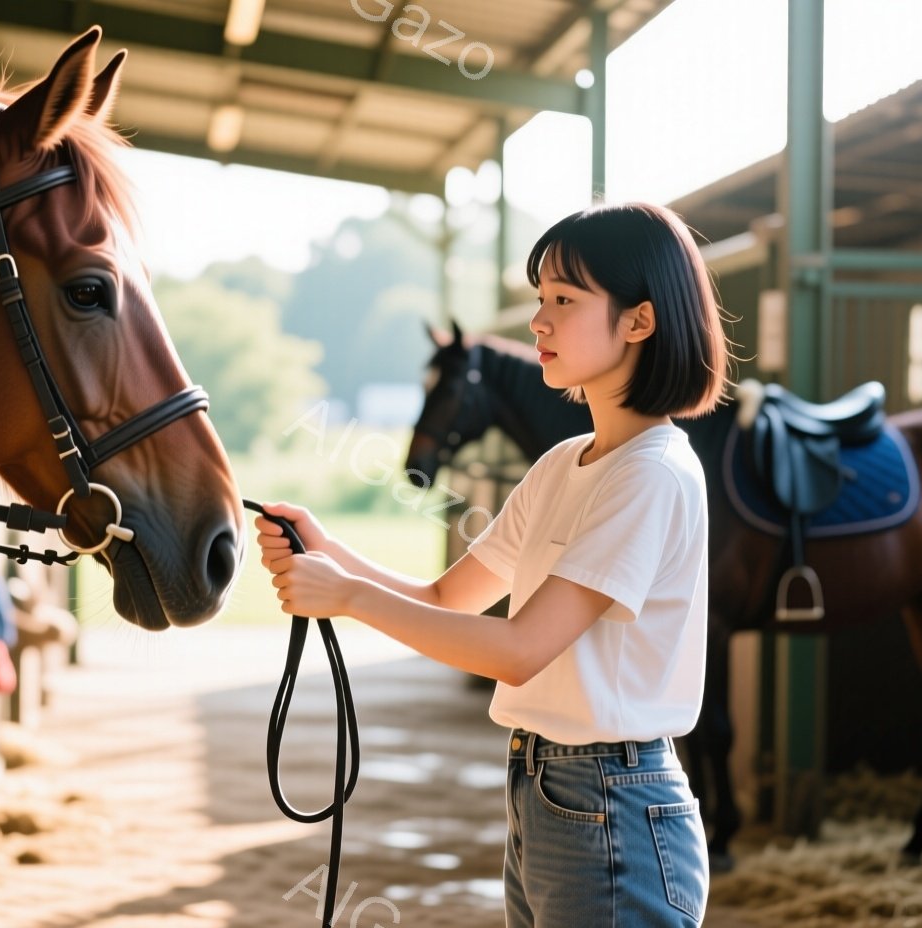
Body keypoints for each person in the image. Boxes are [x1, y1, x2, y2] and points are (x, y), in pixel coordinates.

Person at [254, 201, 728, 927]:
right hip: (546, 791)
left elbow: (519, 648)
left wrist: (345, 597)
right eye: (541, 298)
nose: (538, 321)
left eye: (564, 300)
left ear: (640, 320)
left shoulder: (651, 474)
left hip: (611, 800)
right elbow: (449, 597)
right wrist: (328, 552)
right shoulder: (564, 464)